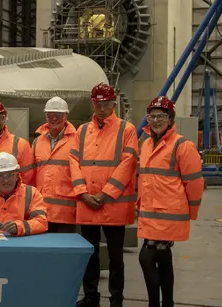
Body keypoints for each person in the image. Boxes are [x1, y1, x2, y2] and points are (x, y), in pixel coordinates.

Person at [73, 83, 139, 307]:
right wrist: (82, 193)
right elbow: (73, 162)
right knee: (88, 255)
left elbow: (128, 163)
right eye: (98, 104)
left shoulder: (126, 130)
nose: (102, 108)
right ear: (93, 104)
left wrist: (105, 194)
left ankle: (116, 300)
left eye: (107, 104)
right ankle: (91, 297)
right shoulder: (82, 131)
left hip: (113, 205)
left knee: (115, 258)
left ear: (114, 103)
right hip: (87, 203)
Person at [136, 96, 204, 307]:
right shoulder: (146, 144)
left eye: (161, 116)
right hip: (150, 214)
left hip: (169, 216)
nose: (156, 120)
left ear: (171, 118)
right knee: (162, 260)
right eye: (152, 116)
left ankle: (155, 304)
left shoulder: (182, 146)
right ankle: (168, 303)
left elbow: (194, 184)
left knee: (146, 258)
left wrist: (190, 213)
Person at [31, 97, 85, 234]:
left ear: (66, 116)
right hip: (41, 211)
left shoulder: (77, 140)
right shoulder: (37, 142)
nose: (54, 119)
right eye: (50, 115)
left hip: (66, 212)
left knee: (65, 252)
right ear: (45, 116)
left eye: (58, 115)